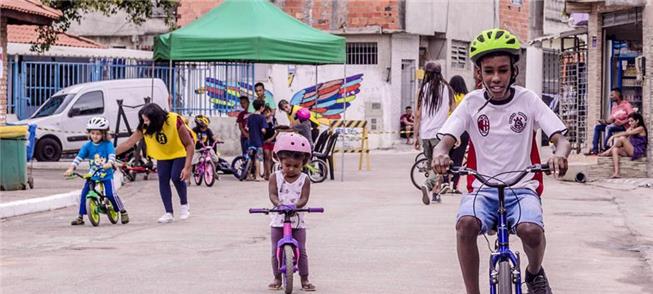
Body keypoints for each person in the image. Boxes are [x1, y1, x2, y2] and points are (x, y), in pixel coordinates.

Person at [431, 28, 571, 294]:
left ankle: (534, 273)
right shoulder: (471, 103)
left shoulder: (527, 100)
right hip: (482, 189)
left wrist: (559, 155)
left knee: (531, 230)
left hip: (522, 187)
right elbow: (446, 138)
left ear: (513, 71)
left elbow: (561, 138)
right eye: (489, 71)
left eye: (503, 70)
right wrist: (441, 152)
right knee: (465, 225)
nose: (496, 78)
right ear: (479, 73)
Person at [116, 103, 195, 223]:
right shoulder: (145, 127)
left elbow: (190, 144)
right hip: (163, 155)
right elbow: (129, 143)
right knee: (163, 179)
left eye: (147, 120)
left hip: (179, 152)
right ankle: (169, 213)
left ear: (156, 119)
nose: (145, 123)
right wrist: (110, 153)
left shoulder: (174, 121)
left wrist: (187, 167)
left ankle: (184, 205)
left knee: (176, 177)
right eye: (143, 120)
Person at [267, 133, 316, 292]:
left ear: (303, 163)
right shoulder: (275, 177)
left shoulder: (304, 179)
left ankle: (305, 279)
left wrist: (296, 206)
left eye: (296, 166)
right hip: (278, 221)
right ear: (279, 161)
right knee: (276, 250)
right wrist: (278, 204)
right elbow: (273, 194)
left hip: (297, 221)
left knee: (301, 249)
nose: (292, 169)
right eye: (287, 165)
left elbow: (304, 198)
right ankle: (276, 278)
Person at [65, 117, 129, 225]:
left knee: (110, 194)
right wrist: (71, 168)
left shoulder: (107, 144)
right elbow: (79, 157)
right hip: (93, 174)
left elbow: (112, 155)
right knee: (84, 194)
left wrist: (109, 163)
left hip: (106, 174)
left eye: (98, 133)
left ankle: (122, 211)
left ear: (104, 134)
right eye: (92, 133)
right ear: (89, 133)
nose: (95, 136)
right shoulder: (87, 146)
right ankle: (80, 217)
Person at [414, 60, 453, 205]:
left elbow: (417, 115)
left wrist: (415, 136)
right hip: (440, 134)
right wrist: (455, 133)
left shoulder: (422, 90)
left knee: (432, 165)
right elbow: (453, 112)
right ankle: (429, 185)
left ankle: (436, 194)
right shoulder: (447, 89)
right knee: (440, 166)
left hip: (425, 134)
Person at [585, 88, 634, 155]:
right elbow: (611, 120)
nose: (610, 97)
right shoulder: (614, 107)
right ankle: (595, 150)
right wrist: (605, 121)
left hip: (624, 126)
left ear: (618, 94)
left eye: (612, 95)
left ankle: (606, 147)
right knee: (598, 127)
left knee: (609, 128)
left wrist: (622, 122)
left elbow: (632, 117)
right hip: (615, 125)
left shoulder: (626, 105)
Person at [599, 112, 647, 178]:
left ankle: (607, 152)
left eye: (632, 121)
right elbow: (627, 133)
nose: (630, 123)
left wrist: (613, 136)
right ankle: (616, 173)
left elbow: (625, 134)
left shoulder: (641, 128)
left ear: (637, 121)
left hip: (637, 151)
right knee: (615, 149)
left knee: (622, 138)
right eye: (629, 121)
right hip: (630, 149)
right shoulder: (631, 128)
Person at [447, 75, 470, 193]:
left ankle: (445, 182)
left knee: (447, 157)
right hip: (464, 131)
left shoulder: (449, 97)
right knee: (458, 159)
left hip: (450, 130)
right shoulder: (467, 97)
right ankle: (455, 186)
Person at [247, 99, 268, 181]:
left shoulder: (250, 117)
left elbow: (247, 127)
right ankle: (257, 176)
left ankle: (249, 175)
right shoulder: (262, 117)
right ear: (262, 107)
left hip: (251, 140)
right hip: (258, 141)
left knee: (250, 158)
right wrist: (265, 131)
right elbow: (263, 130)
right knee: (258, 158)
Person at [262, 106, 278, 180]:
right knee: (267, 157)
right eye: (264, 113)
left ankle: (270, 172)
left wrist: (271, 138)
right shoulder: (262, 120)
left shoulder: (274, 120)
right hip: (265, 141)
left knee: (272, 158)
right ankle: (267, 173)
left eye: (268, 112)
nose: (266, 114)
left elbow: (278, 130)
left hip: (273, 141)